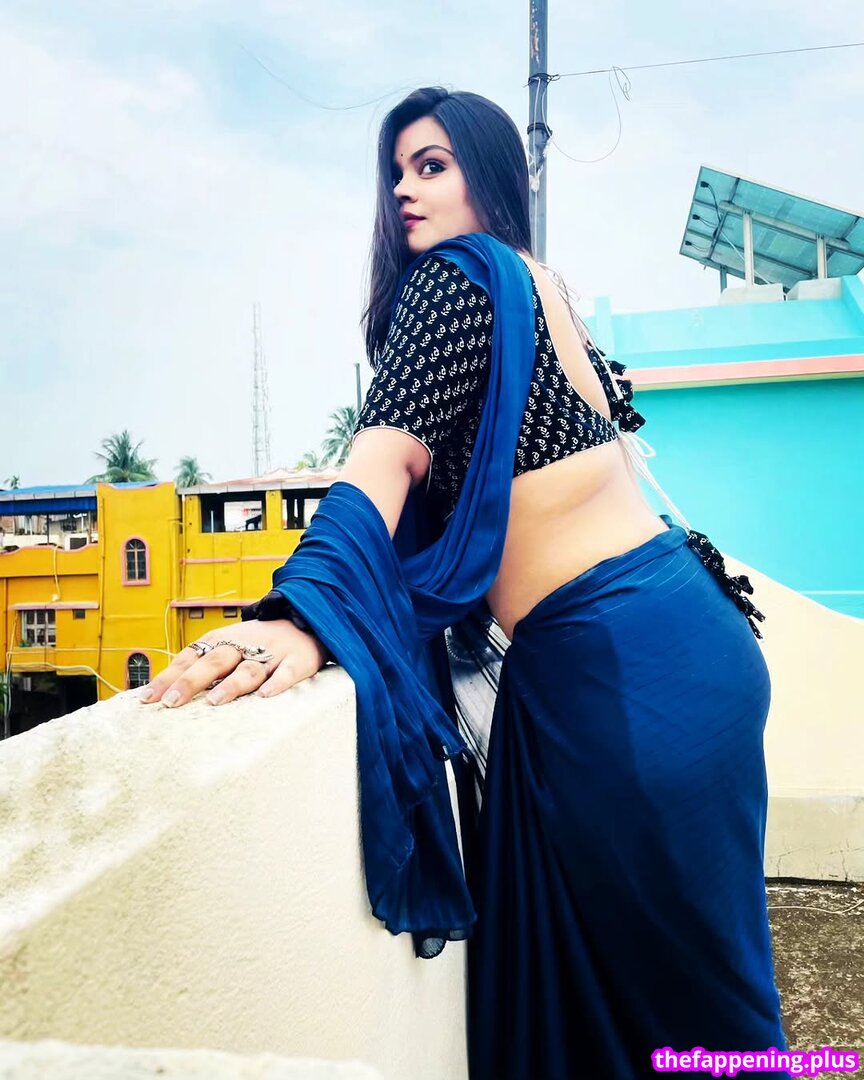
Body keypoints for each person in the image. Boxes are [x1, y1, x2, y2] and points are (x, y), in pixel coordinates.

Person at [139, 88, 789, 1079]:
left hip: (622, 673)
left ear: (488, 175)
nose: (405, 189)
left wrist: (303, 612)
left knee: (699, 1016)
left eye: (432, 165)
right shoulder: (540, 285)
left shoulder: (459, 279)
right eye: (397, 171)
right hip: (685, 640)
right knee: (696, 994)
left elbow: (382, 463)